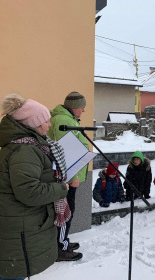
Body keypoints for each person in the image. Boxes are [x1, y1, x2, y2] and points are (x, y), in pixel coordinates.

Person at [0, 94, 69, 279]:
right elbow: (28, 191)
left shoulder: (28, 146)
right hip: (20, 227)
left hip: (21, 223)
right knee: (12, 275)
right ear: (34, 124)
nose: (49, 125)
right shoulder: (26, 150)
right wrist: (61, 189)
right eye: (46, 121)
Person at [47, 91, 87, 261]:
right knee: (65, 212)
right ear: (74, 106)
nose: (84, 111)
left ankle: (63, 241)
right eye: (82, 107)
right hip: (67, 176)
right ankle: (60, 248)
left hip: (67, 174)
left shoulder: (67, 118)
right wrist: (73, 176)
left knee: (66, 211)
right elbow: (66, 151)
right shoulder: (63, 120)